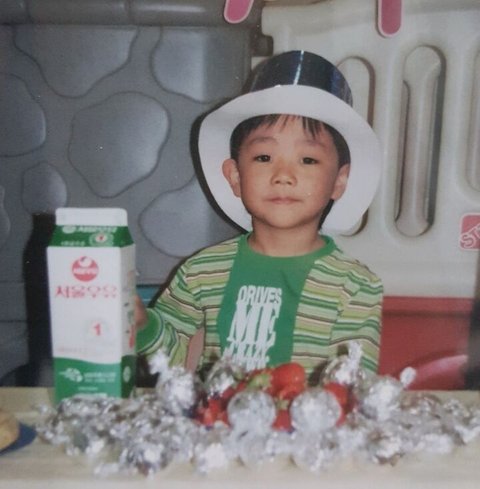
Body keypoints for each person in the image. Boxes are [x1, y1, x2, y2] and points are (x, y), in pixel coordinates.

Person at [136, 50, 383, 382]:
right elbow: (167, 359)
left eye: (308, 160)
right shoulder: (200, 272)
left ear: (339, 181)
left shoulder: (355, 286)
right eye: (264, 157)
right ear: (235, 176)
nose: (283, 175)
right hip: (217, 415)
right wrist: (141, 324)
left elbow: (353, 386)